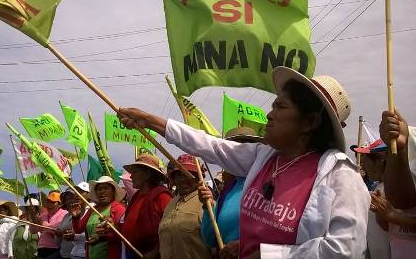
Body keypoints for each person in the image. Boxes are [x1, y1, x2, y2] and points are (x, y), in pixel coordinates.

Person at [118, 66, 370, 258]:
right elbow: (210, 145)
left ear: (310, 122)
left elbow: (345, 249)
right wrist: (151, 121)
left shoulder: (341, 176)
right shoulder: (263, 157)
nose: (270, 114)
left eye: (281, 107)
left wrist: (270, 254)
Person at [200, 127, 263, 259]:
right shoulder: (228, 190)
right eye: (231, 150)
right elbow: (210, 239)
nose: (236, 155)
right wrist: (208, 207)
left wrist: (243, 245)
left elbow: (282, 236)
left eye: (243, 148)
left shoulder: (268, 184)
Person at [378, 110, 416, 259]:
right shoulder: (381, 187)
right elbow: (386, 227)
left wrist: (390, 215)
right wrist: (381, 212)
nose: (382, 156)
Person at [158, 154, 212, 259]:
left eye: (188, 175)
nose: (182, 180)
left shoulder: (207, 203)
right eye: (179, 175)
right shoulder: (171, 203)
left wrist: (208, 206)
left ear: (198, 178)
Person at [121, 154, 173, 259]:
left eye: (135, 172)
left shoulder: (162, 196)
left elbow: (170, 229)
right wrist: (113, 225)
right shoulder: (136, 195)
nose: (131, 176)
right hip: (132, 252)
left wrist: (155, 252)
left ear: (147, 174)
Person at [351, 139, 391, 259]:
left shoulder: (393, 192)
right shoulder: (379, 188)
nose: (361, 164)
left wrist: (387, 215)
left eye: (365, 160)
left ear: (380, 161)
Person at [71, 176, 126, 259]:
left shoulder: (118, 208)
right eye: (99, 189)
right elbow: (79, 229)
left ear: (113, 191)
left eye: (106, 188)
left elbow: (123, 234)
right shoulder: (92, 209)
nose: (102, 192)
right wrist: (76, 217)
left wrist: (102, 238)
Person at [30, 190, 68, 259]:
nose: (49, 205)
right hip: (41, 249)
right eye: (48, 202)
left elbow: (55, 229)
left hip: (55, 249)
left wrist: (42, 222)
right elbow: (33, 231)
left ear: (60, 204)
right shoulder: (43, 215)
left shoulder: (64, 214)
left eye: (52, 202)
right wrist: (32, 218)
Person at [64, 182, 91, 259]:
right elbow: (78, 230)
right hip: (75, 253)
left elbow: (92, 233)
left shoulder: (94, 210)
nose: (77, 194)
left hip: (86, 254)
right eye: (76, 192)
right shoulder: (76, 210)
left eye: (81, 192)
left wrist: (74, 236)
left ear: (89, 194)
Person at [56, 191, 76, 259]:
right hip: (64, 253)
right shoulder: (65, 216)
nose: (69, 201)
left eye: (71, 198)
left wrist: (64, 232)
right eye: (66, 199)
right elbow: (57, 241)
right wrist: (57, 234)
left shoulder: (83, 212)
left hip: (76, 254)